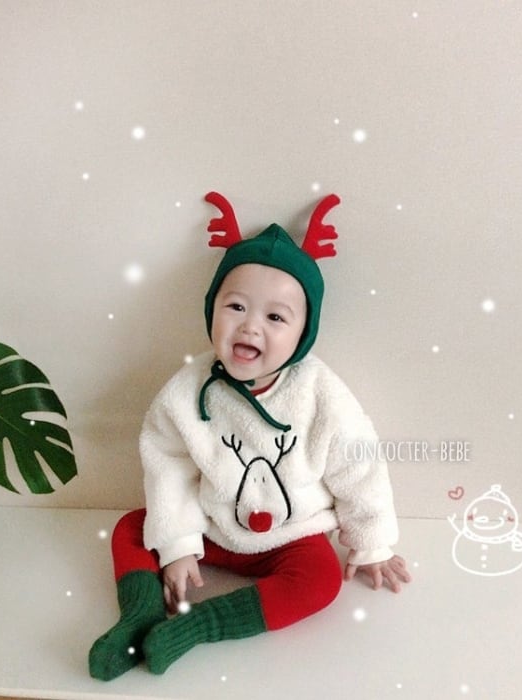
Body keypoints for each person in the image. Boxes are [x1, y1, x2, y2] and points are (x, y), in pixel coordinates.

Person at [88, 192, 411, 681]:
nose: (250, 327)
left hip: (291, 538)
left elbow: (358, 465)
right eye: (236, 306)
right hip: (213, 529)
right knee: (132, 527)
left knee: (322, 580)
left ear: (303, 332)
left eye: (275, 317)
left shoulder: (319, 392)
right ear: (212, 310)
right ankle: (139, 617)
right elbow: (167, 462)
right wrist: (177, 544)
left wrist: (372, 543)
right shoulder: (189, 391)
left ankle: (198, 627)